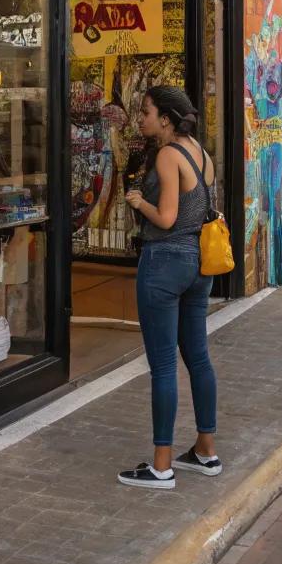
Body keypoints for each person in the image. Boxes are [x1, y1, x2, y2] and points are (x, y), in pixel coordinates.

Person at [120, 86, 219, 490]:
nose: (139, 118)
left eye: (145, 111)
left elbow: (166, 217)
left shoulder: (166, 155)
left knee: (162, 365)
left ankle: (161, 465)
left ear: (165, 118)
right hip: (200, 264)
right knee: (198, 357)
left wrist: (138, 202)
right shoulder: (201, 152)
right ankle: (205, 450)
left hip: (164, 262)